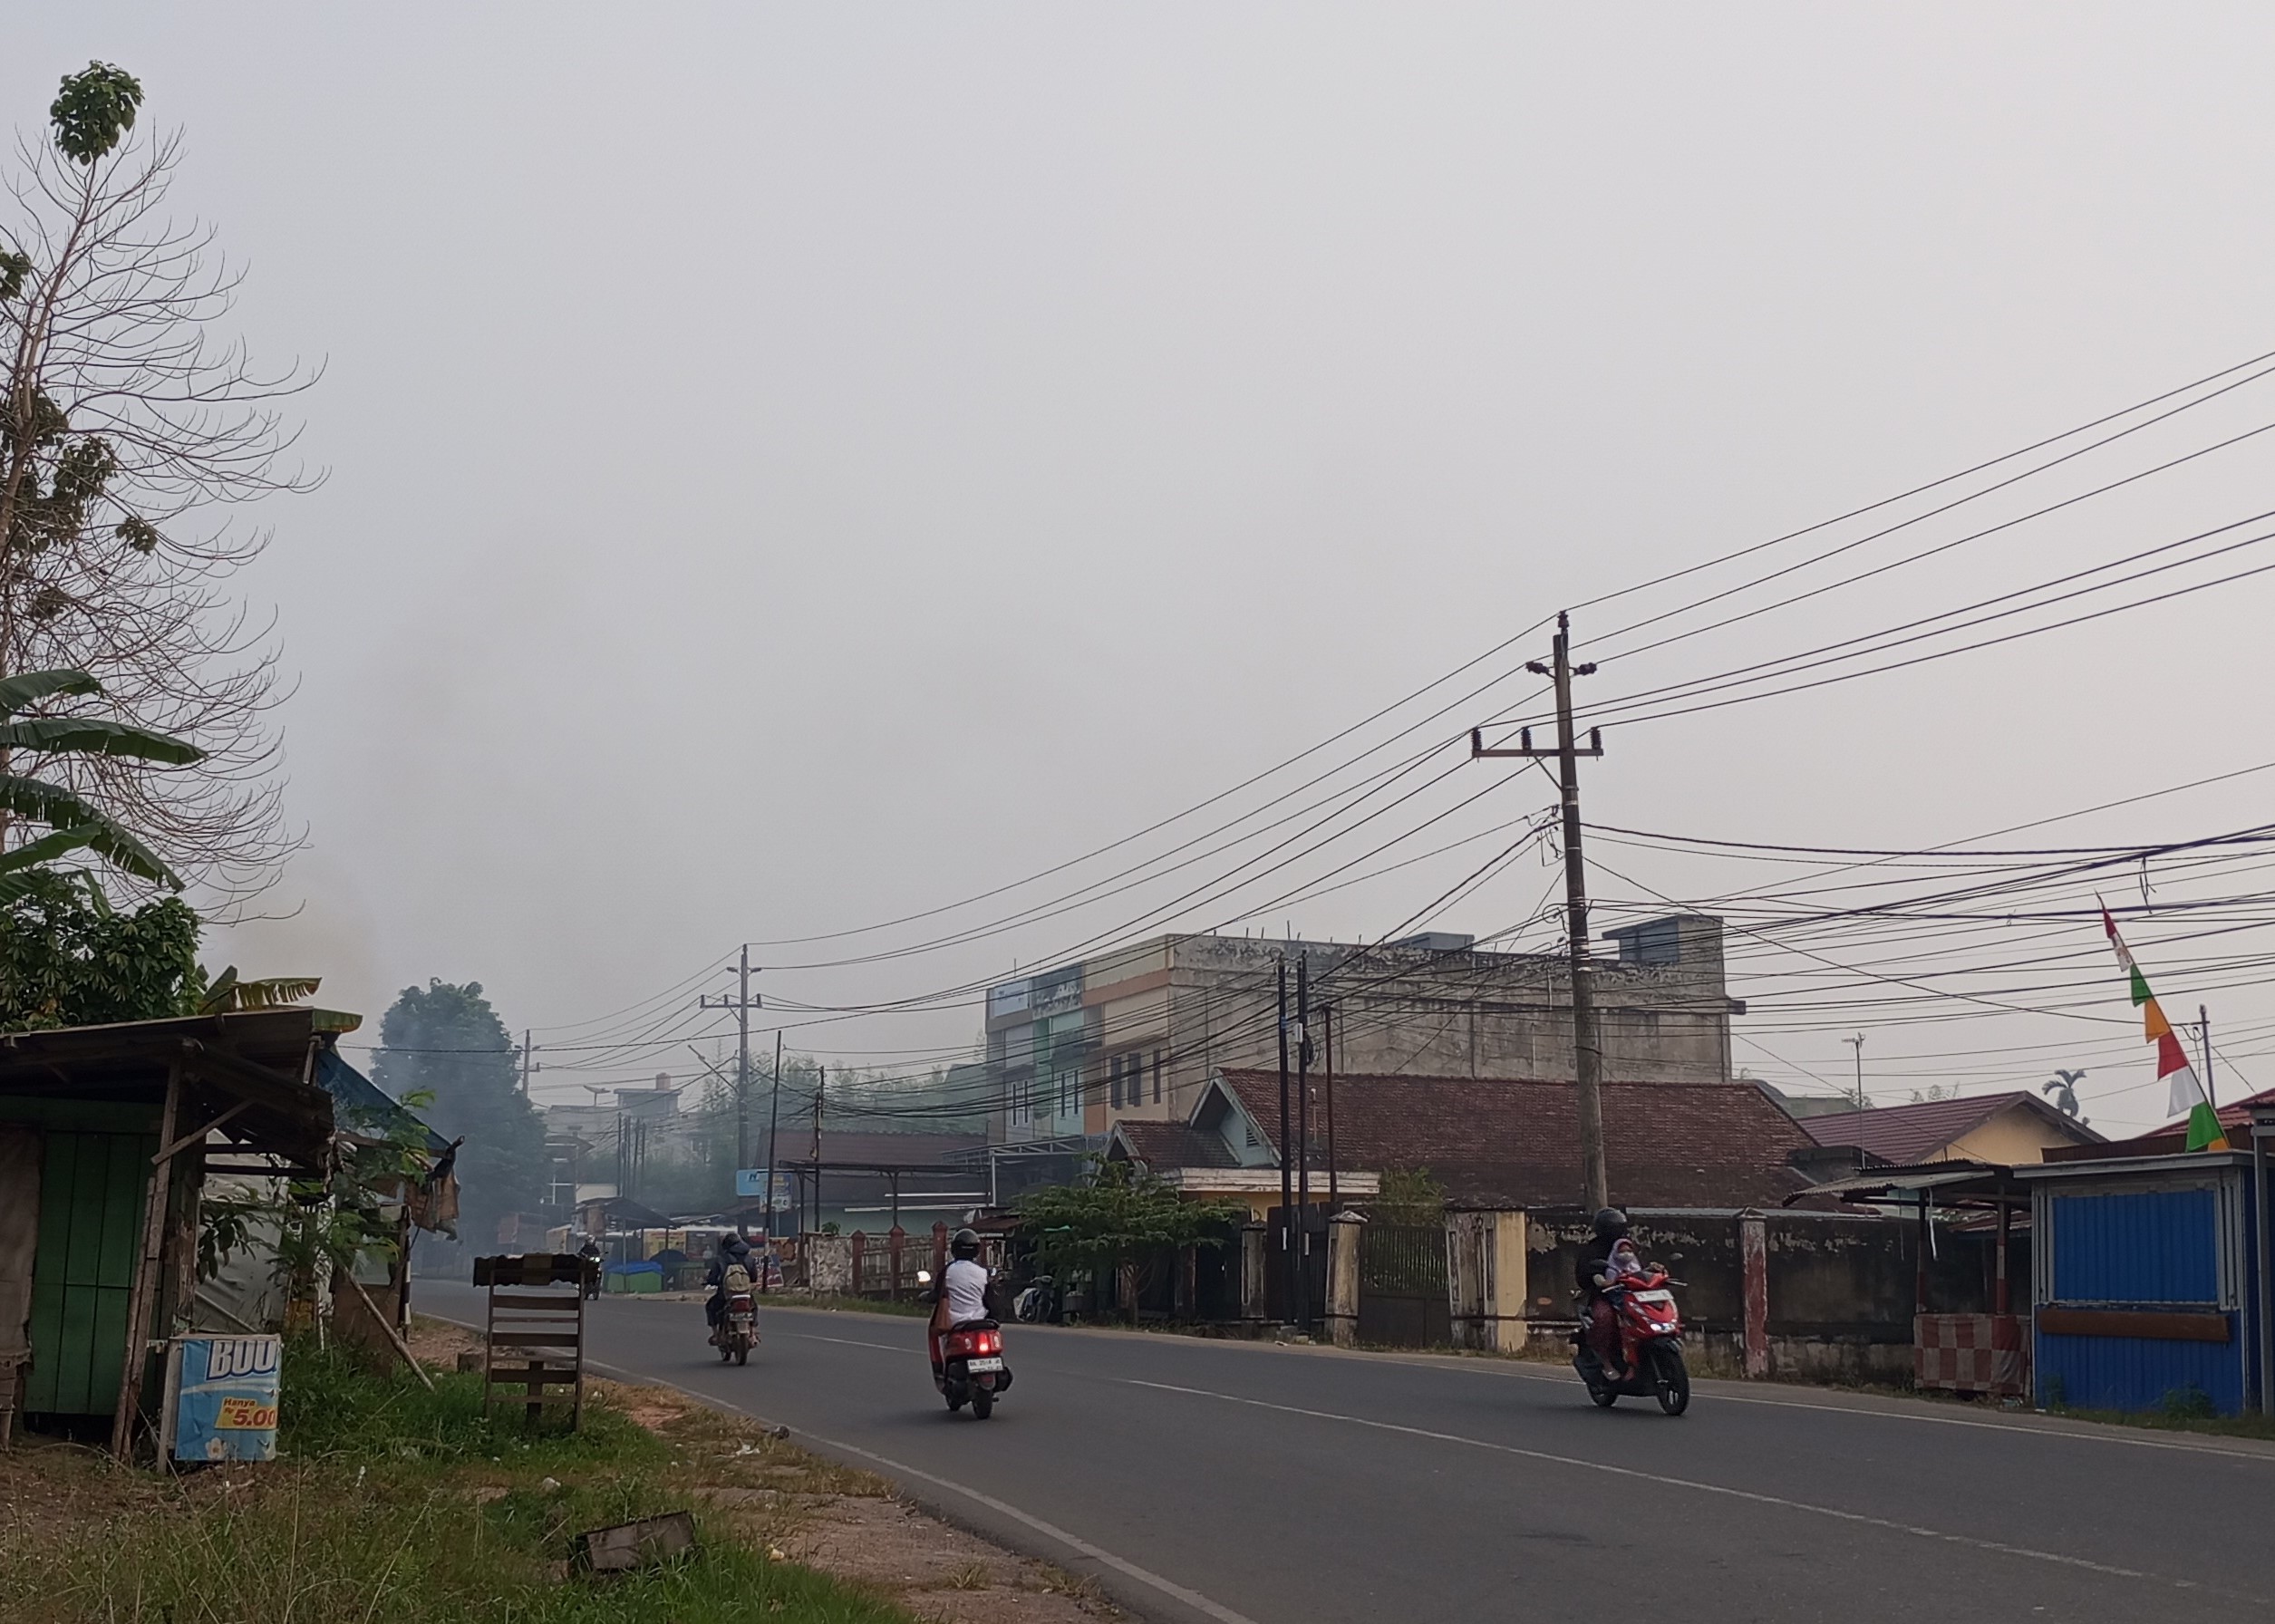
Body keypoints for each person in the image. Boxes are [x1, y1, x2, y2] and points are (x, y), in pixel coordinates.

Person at [1576, 1206, 1632, 1380]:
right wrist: (1598, 1278)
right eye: (1613, 1227)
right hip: (1603, 1295)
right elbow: (1583, 1273)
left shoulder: (1626, 1247)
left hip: (1631, 1294)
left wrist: (1654, 1270)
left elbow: (1639, 1265)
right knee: (1604, 1318)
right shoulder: (1592, 1249)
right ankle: (1606, 1362)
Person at [928, 1228, 995, 1371]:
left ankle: (942, 1370)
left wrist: (925, 1297)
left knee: (938, 1337)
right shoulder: (983, 1272)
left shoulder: (947, 1272)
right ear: (976, 1250)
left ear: (954, 1249)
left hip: (954, 1324)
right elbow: (990, 1300)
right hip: (980, 1321)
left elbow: (936, 1295)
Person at [705, 1232, 753, 1341]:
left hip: (726, 1295)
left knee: (711, 1307)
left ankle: (716, 1334)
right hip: (745, 1294)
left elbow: (713, 1277)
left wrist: (711, 1281)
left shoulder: (721, 1259)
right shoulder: (748, 1258)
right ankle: (753, 1334)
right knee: (753, 1308)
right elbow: (753, 1276)